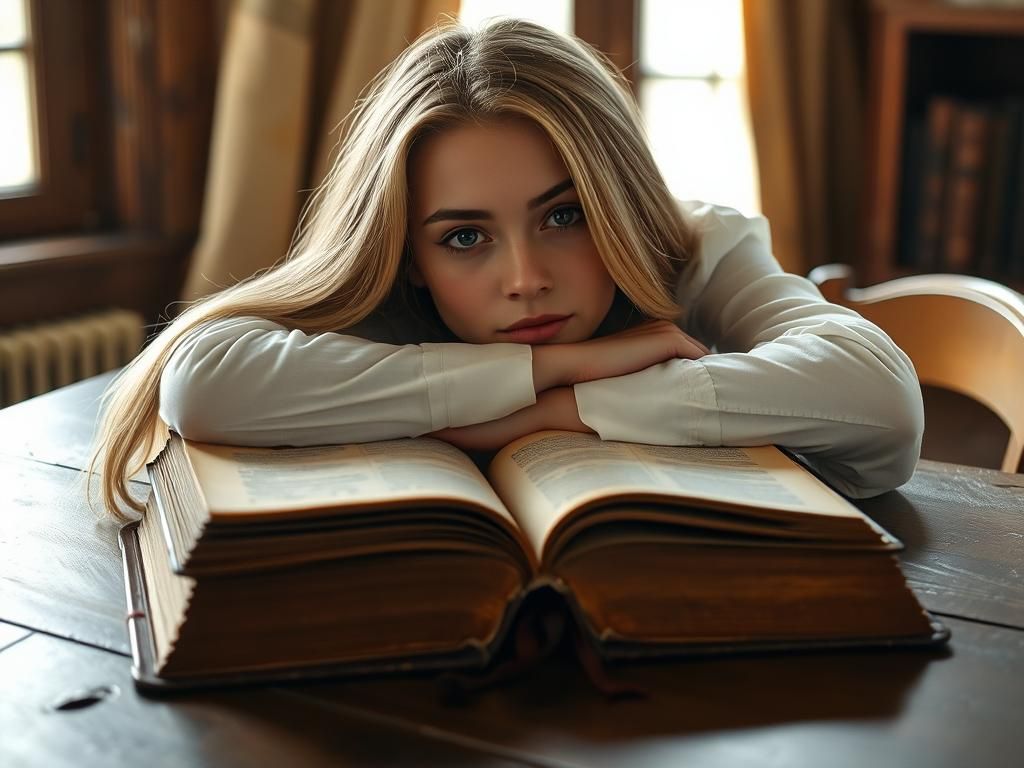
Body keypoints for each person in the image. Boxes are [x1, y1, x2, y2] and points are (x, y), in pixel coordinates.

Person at [88, 18, 924, 521]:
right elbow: (203, 381)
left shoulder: (699, 247)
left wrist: (559, 412)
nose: (525, 278)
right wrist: (554, 365)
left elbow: (880, 401)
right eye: (463, 237)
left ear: (617, 197)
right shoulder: (390, 288)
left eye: (566, 216)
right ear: (409, 255)